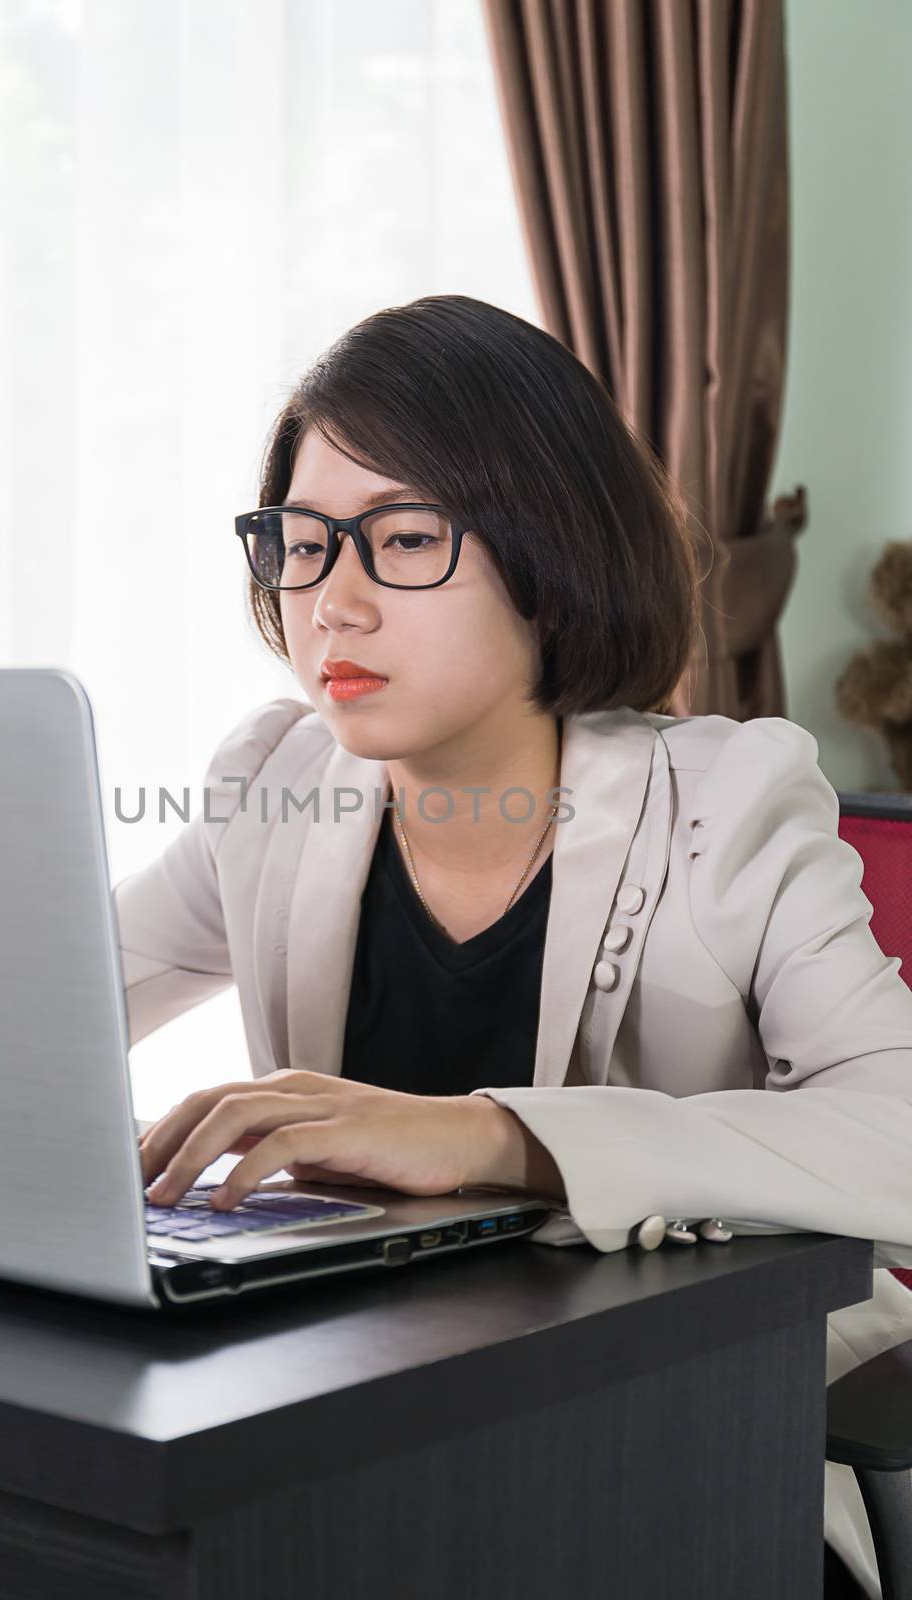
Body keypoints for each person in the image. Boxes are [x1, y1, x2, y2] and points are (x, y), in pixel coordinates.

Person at [114, 294, 912, 1598]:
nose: (334, 604)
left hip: (682, 1447)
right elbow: (35, 1017)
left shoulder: (728, 802)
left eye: (406, 540)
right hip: (356, 1429)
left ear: (550, 550)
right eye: (303, 546)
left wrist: (502, 1139)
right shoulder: (276, 786)